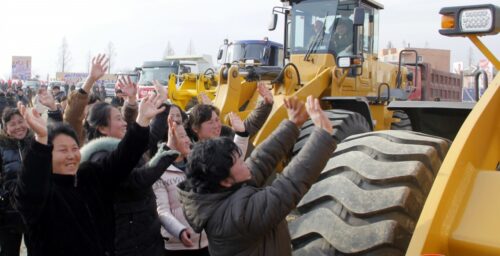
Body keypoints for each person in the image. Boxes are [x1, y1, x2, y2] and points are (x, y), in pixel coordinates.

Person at [178, 96, 337, 256]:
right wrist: (323, 136)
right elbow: (288, 186)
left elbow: (261, 160)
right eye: (238, 161)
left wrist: (292, 124)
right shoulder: (237, 218)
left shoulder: (219, 193)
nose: (244, 161)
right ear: (225, 181)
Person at [13, 93, 163, 256]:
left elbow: (122, 159)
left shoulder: (89, 176)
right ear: (47, 155)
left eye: (74, 148)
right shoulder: (43, 194)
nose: (71, 155)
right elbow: (28, 191)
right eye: (63, 150)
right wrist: (41, 139)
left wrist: (142, 121)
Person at [153, 119, 209, 256]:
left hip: (208, 242)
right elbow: (162, 211)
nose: (188, 141)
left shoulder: (198, 164)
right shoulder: (157, 171)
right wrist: (180, 231)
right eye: (182, 136)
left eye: (186, 136)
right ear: (169, 139)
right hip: (179, 246)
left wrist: (242, 134)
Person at [0, 108, 31, 256]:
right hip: (9, 213)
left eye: (21, 121)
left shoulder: (36, 142)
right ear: (6, 128)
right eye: (12, 124)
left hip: (34, 212)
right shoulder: (1, 147)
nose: (18, 126)